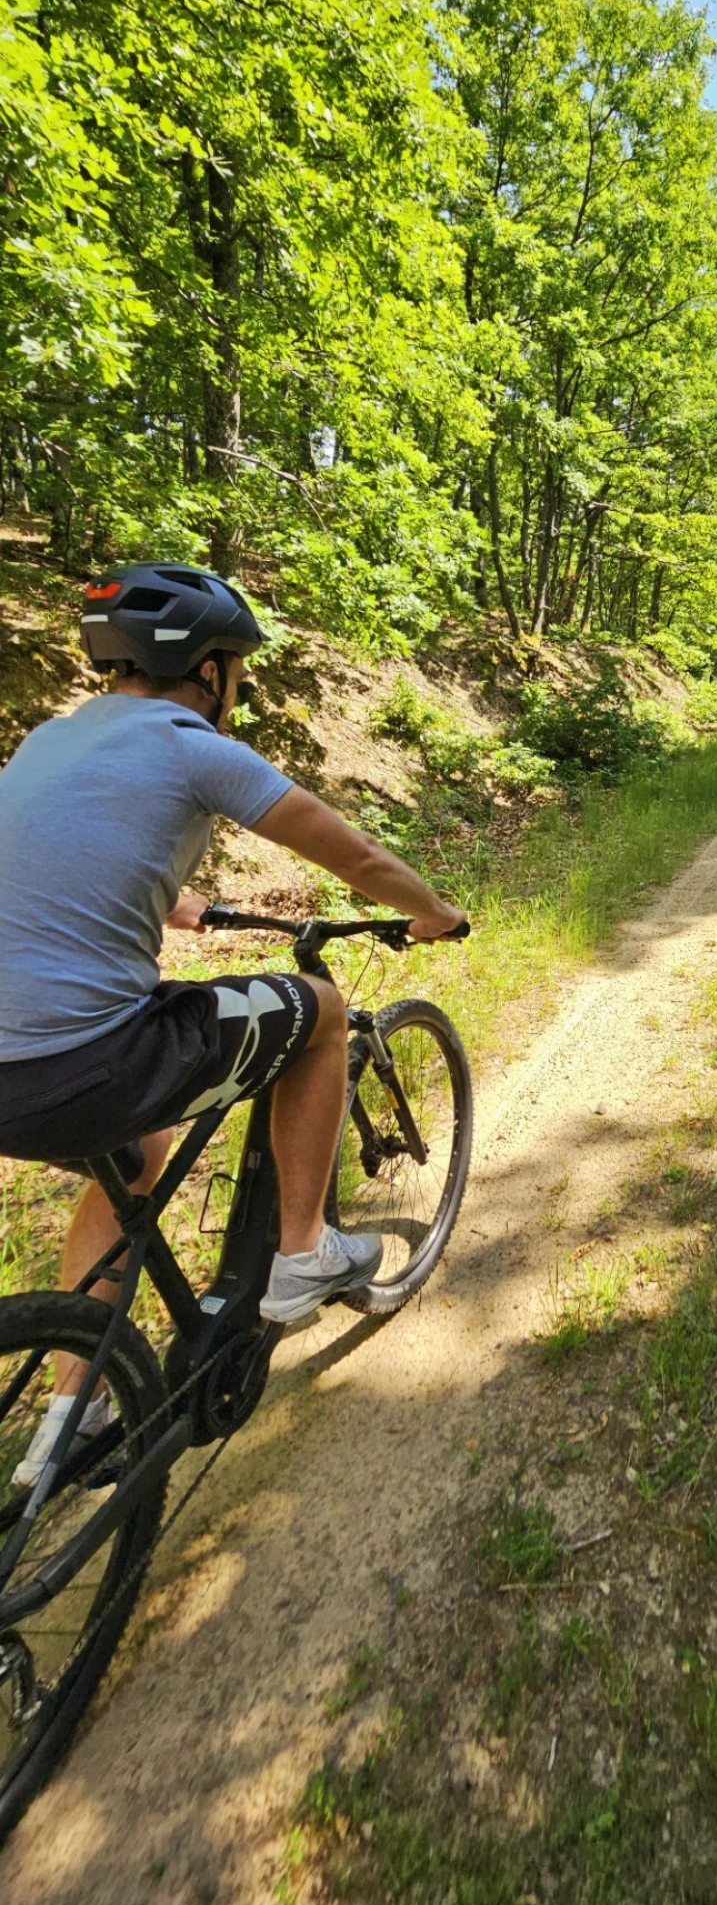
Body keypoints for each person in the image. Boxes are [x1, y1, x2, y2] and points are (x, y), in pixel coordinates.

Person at [0, 564, 466, 1480]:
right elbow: (354, 854)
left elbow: (56, 859)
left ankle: (75, 1409)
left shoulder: (48, 740)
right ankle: (304, 1252)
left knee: (136, 1153)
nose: (237, 689)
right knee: (322, 1011)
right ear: (209, 670)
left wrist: (172, 900)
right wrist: (432, 911)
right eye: (238, 672)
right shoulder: (191, 745)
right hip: (86, 1061)